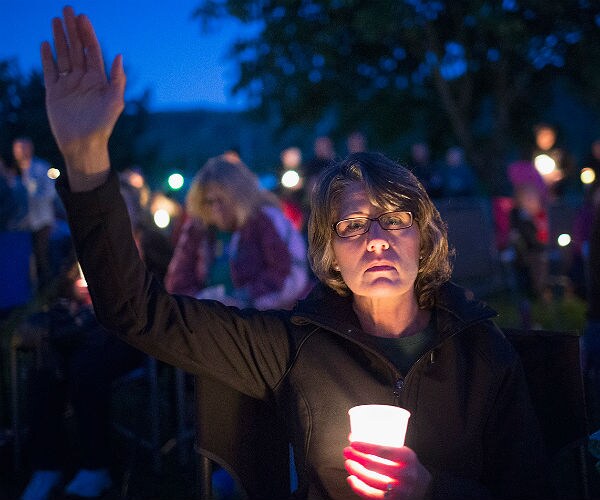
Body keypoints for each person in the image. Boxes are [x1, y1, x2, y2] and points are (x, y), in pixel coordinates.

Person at [42, 7, 547, 499]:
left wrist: (431, 491)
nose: (376, 238)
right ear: (330, 252)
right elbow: (137, 313)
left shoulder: (482, 352)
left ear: (424, 236)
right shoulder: (294, 348)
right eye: (352, 225)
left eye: (395, 219)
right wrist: (86, 162)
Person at [17, 261, 144, 500]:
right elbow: (58, 289)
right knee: (45, 364)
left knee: (86, 367)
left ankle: (95, 465)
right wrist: (74, 288)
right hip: (79, 324)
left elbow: (155, 288)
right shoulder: (76, 248)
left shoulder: (146, 244)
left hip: (126, 330)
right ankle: (47, 466)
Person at [166, 154, 309, 309]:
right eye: (209, 201)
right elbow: (178, 282)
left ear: (238, 197)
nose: (215, 208)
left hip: (261, 315)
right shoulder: (197, 230)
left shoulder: (264, 220)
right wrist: (202, 303)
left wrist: (244, 302)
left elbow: (284, 272)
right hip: (209, 317)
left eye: (221, 200)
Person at [12, 136, 57, 290]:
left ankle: (47, 285)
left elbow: (50, 192)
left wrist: (32, 196)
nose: (19, 153)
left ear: (30, 149)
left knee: (41, 253)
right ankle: (32, 285)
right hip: (23, 222)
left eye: (22, 149)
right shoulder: (15, 170)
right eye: (17, 150)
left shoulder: (41, 167)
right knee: (27, 255)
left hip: (41, 219)